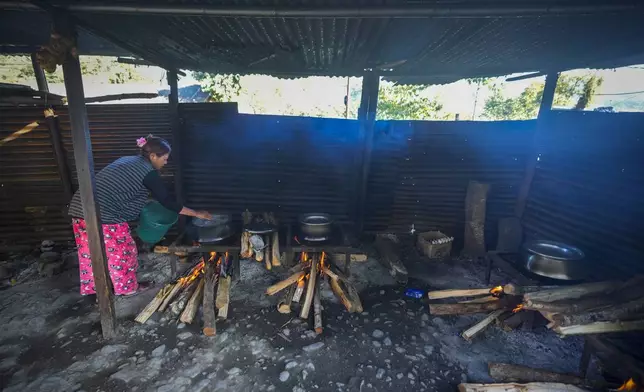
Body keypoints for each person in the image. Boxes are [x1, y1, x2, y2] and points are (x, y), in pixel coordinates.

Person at [68, 135, 212, 296]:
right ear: (152, 156)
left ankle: (96, 288)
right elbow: (168, 202)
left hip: (80, 208)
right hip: (105, 214)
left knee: (90, 251)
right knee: (123, 252)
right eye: (164, 159)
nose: (165, 162)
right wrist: (196, 213)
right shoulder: (148, 172)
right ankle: (127, 288)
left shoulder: (128, 160)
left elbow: (124, 188)